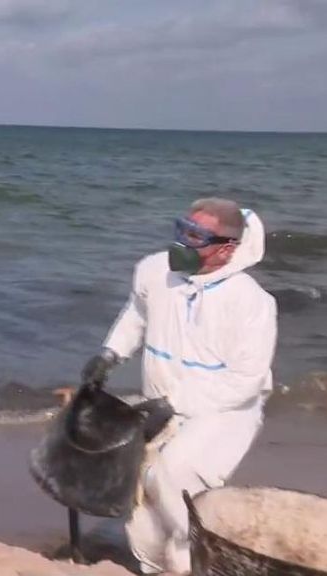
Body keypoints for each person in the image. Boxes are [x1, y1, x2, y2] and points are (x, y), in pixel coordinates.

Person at [81, 198, 277, 574]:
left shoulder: (251, 302)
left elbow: (244, 382)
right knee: (140, 498)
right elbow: (136, 313)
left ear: (226, 248)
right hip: (161, 404)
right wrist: (110, 353)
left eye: (195, 236)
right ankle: (156, 566)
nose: (182, 243)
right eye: (181, 229)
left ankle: (204, 559)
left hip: (226, 413)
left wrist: (173, 402)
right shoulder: (155, 271)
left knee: (171, 475)